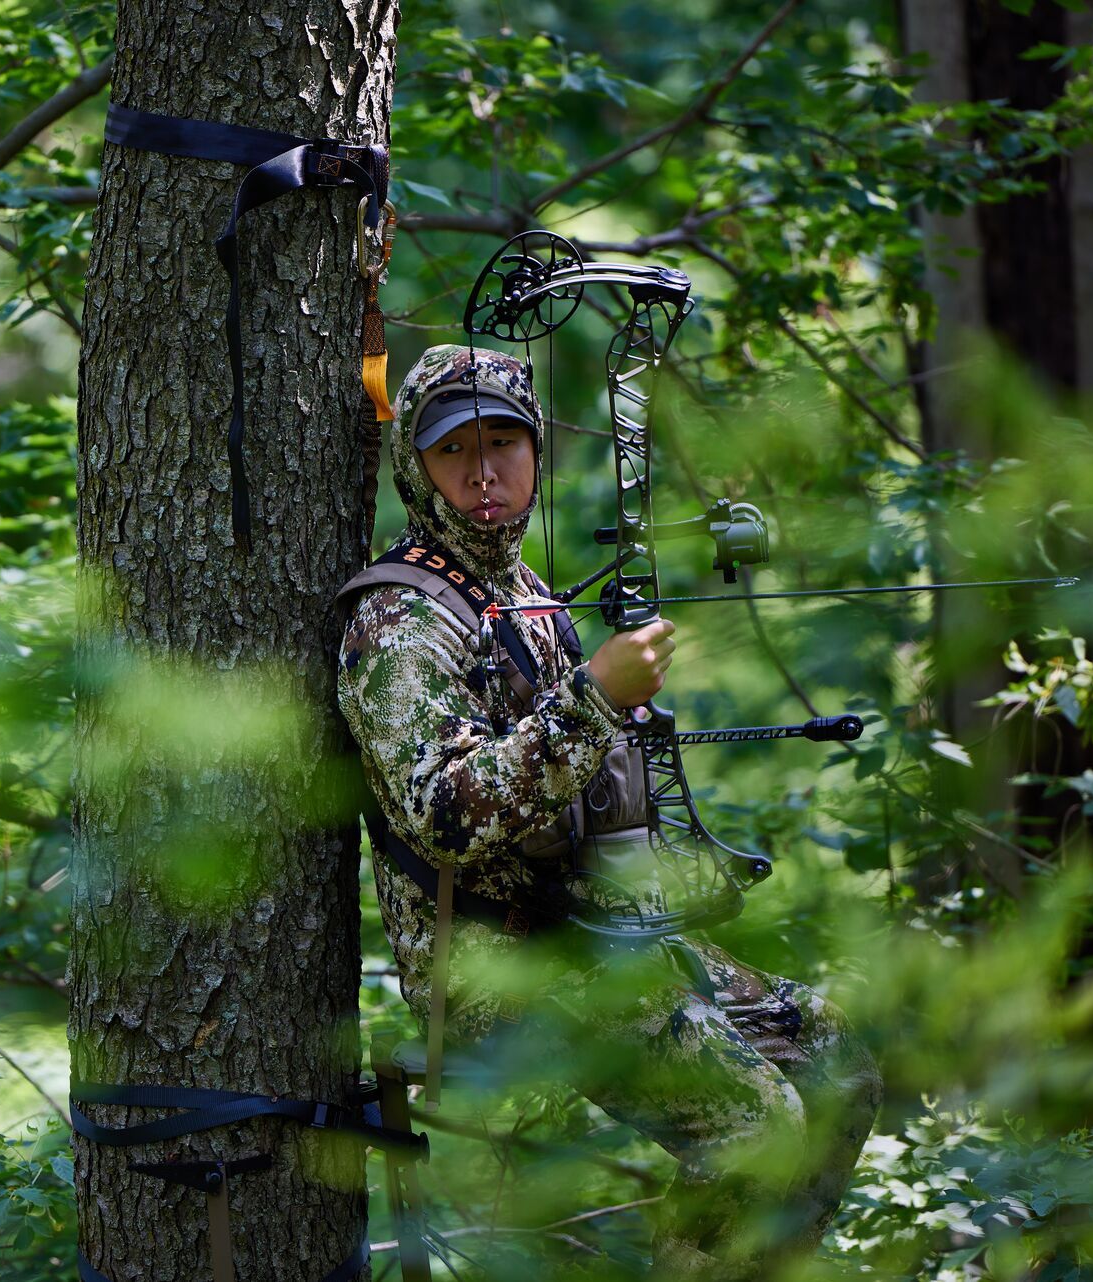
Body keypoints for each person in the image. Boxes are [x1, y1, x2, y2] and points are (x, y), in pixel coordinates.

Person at [335, 344, 883, 1278]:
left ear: (536, 453)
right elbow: (444, 813)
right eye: (452, 451)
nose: (484, 473)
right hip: (496, 971)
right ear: (414, 470)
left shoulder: (525, 598)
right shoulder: (401, 618)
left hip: (594, 938)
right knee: (757, 1123)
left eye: (505, 442)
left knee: (837, 1058)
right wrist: (593, 697)